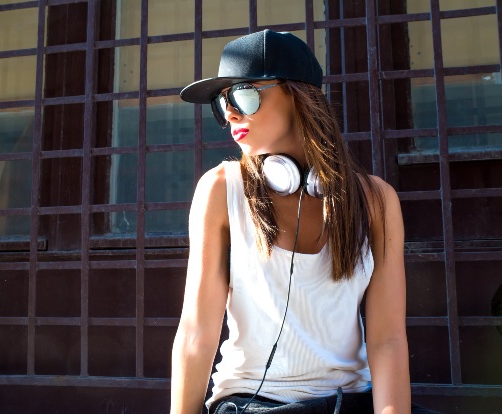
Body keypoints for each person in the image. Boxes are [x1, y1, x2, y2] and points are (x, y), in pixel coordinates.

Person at [170, 30, 432, 414]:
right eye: (222, 101)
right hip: (254, 403)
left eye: (243, 92)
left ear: (297, 94)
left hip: (351, 402)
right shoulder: (221, 191)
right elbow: (197, 333)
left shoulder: (376, 201)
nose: (230, 112)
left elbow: (388, 339)